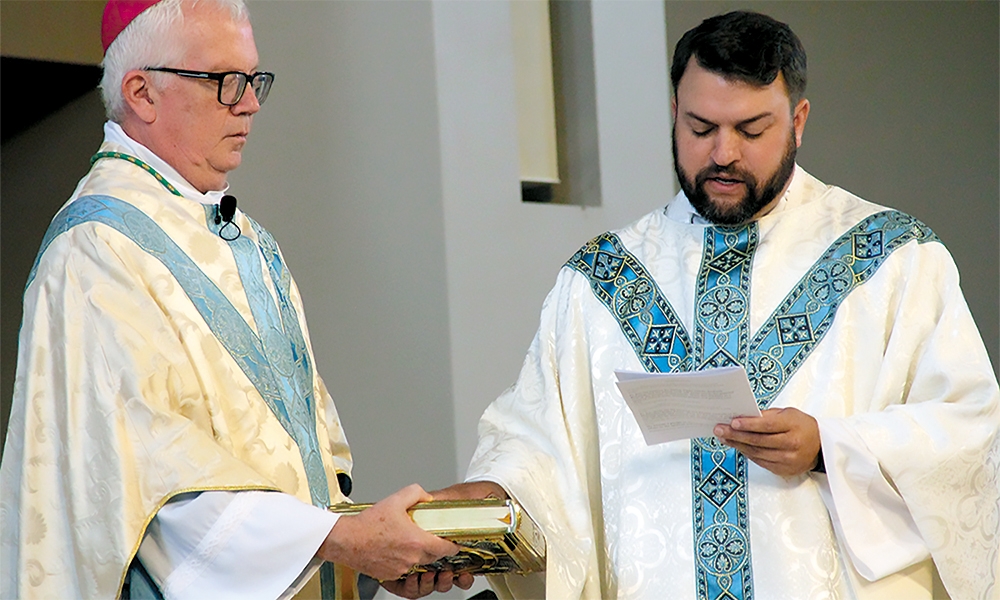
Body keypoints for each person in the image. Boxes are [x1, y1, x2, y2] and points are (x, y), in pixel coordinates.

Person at [435, 10, 1000, 600]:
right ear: (674, 114)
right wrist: (482, 505)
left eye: (751, 130)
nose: (723, 154)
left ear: (798, 122)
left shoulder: (895, 261)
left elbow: (968, 428)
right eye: (701, 128)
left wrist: (829, 448)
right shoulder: (599, 279)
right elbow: (539, 448)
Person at [0, 1, 473, 598]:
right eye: (224, 81)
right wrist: (347, 543)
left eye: (253, 80)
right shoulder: (96, 250)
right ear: (142, 93)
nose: (248, 103)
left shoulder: (246, 240)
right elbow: (149, 486)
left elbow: (311, 470)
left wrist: (375, 558)